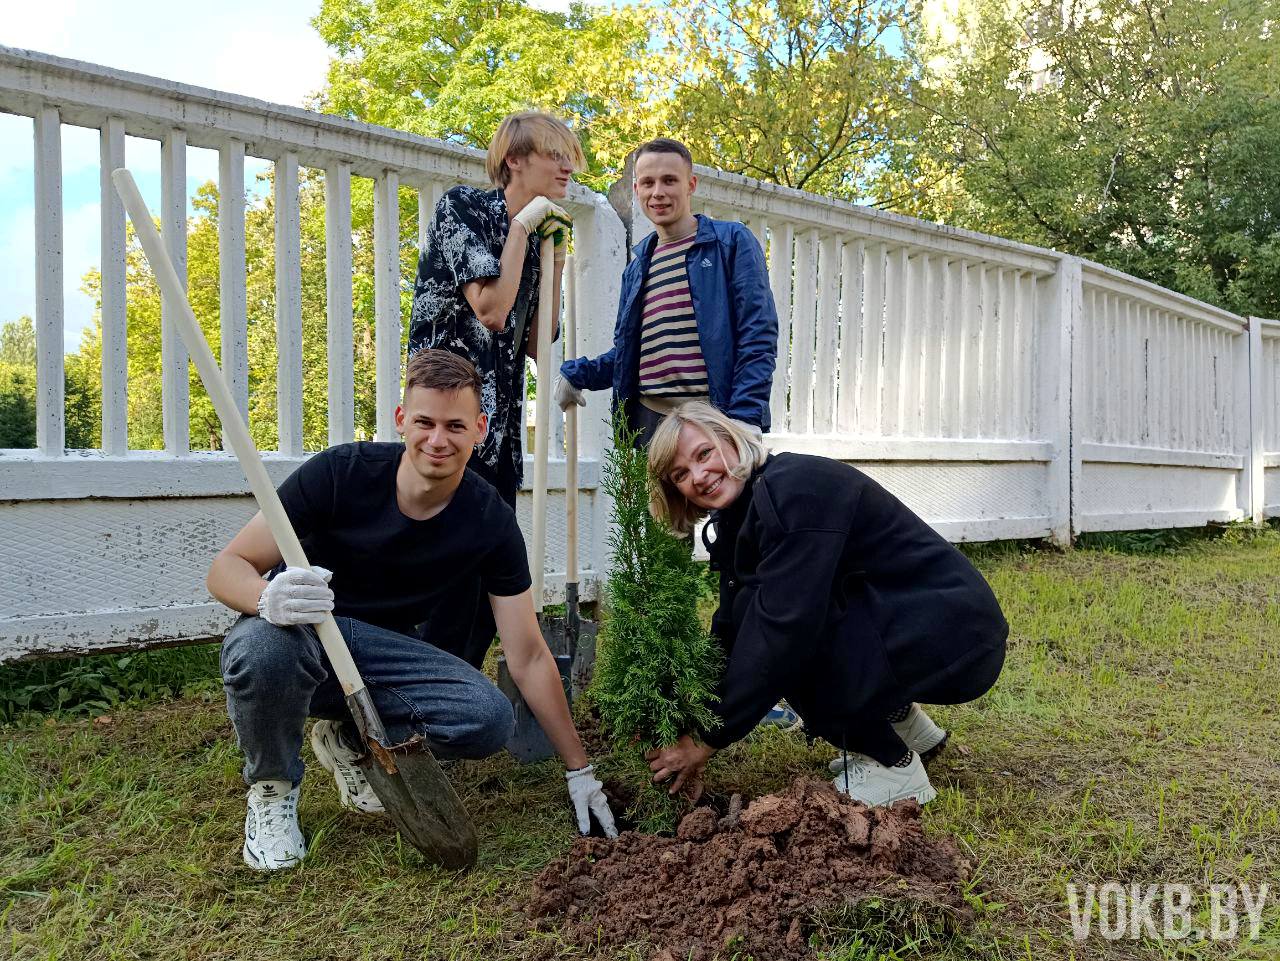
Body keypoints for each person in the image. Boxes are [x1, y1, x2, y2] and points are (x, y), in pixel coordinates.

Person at [208, 350, 616, 871]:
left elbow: (529, 655)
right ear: (402, 420)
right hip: (305, 634)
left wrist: (578, 769)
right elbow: (227, 567)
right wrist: (267, 598)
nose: (437, 439)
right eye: (424, 422)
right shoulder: (340, 474)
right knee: (260, 646)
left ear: (480, 430)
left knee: (486, 720)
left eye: (455, 425)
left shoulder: (487, 519)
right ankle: (272, 788)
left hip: (383, 656)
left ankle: (349, 736)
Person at [642, 402, 1008, 807]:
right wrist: (696, 715)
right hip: (936, 627)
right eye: (680, 474)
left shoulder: (791, 491)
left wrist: (707, 740)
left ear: (730, 439)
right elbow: (730, 624)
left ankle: (893, 765)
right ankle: (906, 727)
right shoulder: (741, 512)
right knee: (763, 616)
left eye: (704, 453)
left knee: (792, 642)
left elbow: (781, 631)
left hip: (956, 639)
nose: (698, 475)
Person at [408, 109, 583, 667]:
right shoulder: (463, 208)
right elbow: (491, 308)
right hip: (447, 422)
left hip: (499, 430)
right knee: (443, 573)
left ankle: (446, 701)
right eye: (554, 155)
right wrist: (522, 230)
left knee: (492, 571)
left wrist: (552, 261)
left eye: (570, 157)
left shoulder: (534, 235)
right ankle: (403, 697)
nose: (567, 167)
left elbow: (539, 343)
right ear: (514, 159)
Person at [555, 138, 778, 448]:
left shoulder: (731, 243)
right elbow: (628, 354)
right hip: (651, 423)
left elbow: (757, 333)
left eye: (669, 180)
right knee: (656, 500)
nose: (657, 192)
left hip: (715, 420)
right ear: (636, 190)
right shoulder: (637, 269)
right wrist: (577, 374)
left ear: (691, 185)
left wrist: (745, 415)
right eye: (647, 182)